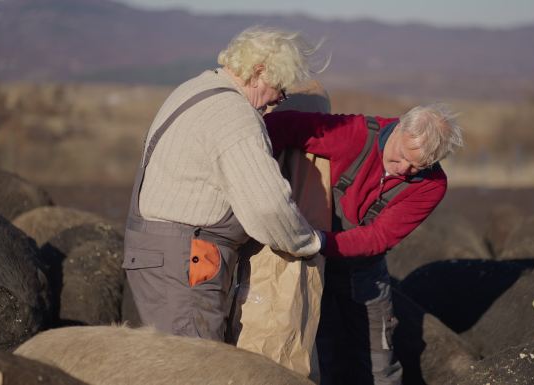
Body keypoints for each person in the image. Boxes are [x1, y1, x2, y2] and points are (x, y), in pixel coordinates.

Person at [121, 26, 326, 342]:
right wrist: (309, 242)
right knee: (196, 366)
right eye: (279, 88)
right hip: (188, 258)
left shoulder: (195, 88)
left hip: (155, 252)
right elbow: (268, 208)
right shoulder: (236, 117)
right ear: (259, 71)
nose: (276, 101)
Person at [264, 104, 463, 385]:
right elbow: (278, 126)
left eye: (418, 166)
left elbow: (378, 237)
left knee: (379, 361)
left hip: (363, 270)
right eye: (403, 156)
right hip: (309, 264)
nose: (404, 169)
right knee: (318, 351)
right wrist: (265, 182)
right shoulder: (355, 135)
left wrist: (316, 241)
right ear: (398, 129)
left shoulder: (432, 185)